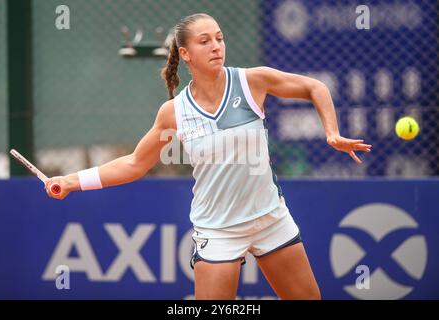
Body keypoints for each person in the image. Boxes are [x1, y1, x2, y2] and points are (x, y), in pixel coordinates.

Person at [45, 13, 372, 300]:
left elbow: (315, 87)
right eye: (205, 41)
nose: (216, 46)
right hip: (218, 230)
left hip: (270, 218)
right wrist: (72, 181)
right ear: (185, 54)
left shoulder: (251, 82)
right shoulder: (174, 112)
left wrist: (331, 131)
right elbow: (134, 164)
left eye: (219, 38)